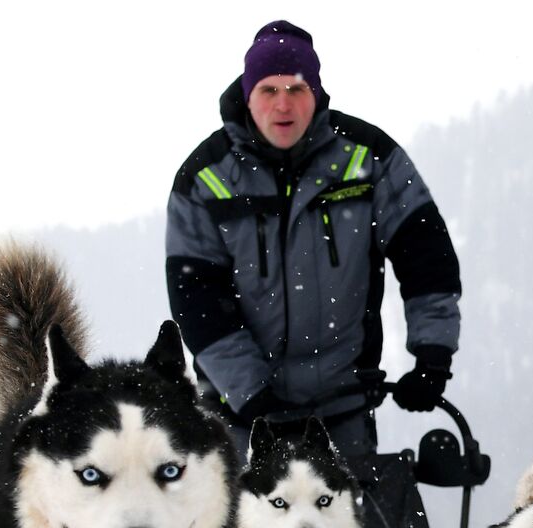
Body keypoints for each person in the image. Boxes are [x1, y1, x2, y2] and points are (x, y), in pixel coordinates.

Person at [166, 20, 462, 456]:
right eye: (269, 90)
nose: (283, 105)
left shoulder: (369, 159)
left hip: (342, 407)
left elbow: (426, 257)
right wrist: (252, 395)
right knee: (233, 524)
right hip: (239, 416)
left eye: (297, 90)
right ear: (248, 96)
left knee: (353, 524)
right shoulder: (205, 179)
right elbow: (195, 299)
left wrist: (433, 355)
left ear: (317, 95)